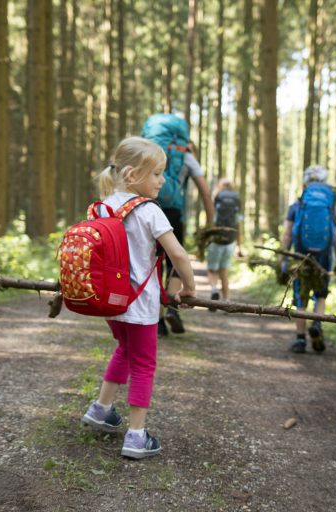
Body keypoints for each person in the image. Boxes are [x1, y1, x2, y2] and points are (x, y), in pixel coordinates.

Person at [80, 136, 196, 459]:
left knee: (124, 350)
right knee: (144, 363)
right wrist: (189, 288)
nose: (163, 180)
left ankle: (101, 409)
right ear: (133, 175)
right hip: (141, 305)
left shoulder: (102, 206)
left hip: (110, 303)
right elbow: (179, 256)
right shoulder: (149, 211)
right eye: (157, 174)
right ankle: (135, 436)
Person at [279, 164, 336, 354]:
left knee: (301, 295)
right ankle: (317, 323)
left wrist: (283, 258)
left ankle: (300, 339)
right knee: (321, 294)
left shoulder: (297, 205)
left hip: (301, 254)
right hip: (324, 256)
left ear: (305, 182)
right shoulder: (330, 207)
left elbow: (287, 235)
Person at [159, 139, 214, 336]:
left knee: (152, 262)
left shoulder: (155, 152)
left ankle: (157, 322)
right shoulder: (188, 157)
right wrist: (210, 225)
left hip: (146, 207)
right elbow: (206, 193)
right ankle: (172, 307)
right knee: (173, 262)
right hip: (173, 213)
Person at [206, 178, 242, 308]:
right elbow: (239, 223)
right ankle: (226, 300)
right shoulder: (236, 199)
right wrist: (239, 245)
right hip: (230, 240)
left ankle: (214, 289)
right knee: (224, 271)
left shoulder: (217, 197)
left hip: (216, 239)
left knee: (212, 269)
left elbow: (211, 219)